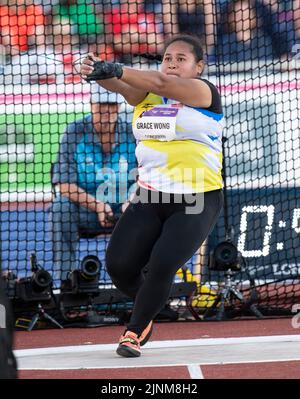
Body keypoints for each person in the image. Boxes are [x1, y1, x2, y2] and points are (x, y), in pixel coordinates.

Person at [80, 34, 224, 357]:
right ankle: (153, 303)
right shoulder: (146, 94)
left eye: (181, 59)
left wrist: (115, 67)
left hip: (196, 198)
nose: (172, 64)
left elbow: (159, 82)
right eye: (167, 58)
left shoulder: (203, 92)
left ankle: (134, 330)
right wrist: (95, 70)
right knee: (118, 265)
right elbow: (119, 86)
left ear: (199, 66)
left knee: (162, 262)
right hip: (150, 196)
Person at [48, 85, 137, 285]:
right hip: (86, 210)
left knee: (149, 206)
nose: (107, 111)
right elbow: (64, 184)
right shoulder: (74, 132)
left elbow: (147, 176)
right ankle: (67, 282)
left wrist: (131, 201)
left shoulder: (133, 133)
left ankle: (144, 281)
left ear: (119, 107)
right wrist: (96, 206)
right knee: (60, 208)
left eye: (112, 105)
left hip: (126, 210)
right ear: (91, 105)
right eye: (101, 105)